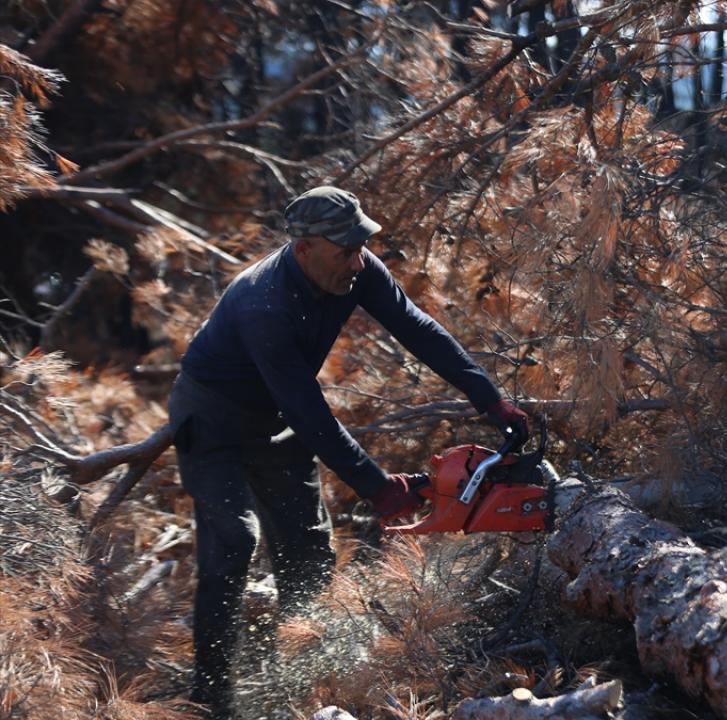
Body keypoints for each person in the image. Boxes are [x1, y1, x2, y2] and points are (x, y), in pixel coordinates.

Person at [167, 186, 528, 718]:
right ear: (304, 248)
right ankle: (210, 698)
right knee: (234, 541)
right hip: (213, 420)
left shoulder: (355, 268)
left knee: (308, 548)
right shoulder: (262, 304)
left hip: (274, 417)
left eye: (361, 247)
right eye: (344, 251)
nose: (357, 261)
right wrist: (379, 489)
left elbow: (417, 328)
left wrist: (489, 399)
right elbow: (309, 413)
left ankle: (300, 679)